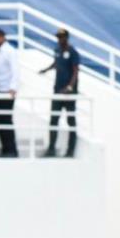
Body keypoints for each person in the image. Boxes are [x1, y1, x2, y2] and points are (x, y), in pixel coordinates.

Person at [40, 28, 79, 157]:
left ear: (67, 37)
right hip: (57, 90)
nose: (60, 39)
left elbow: (75, 71)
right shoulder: (57, 50)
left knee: (71, 121)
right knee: (54, 120)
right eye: (58, 37)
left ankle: (70, 150)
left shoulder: (73, 52)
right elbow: (56, 63)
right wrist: (46, 69)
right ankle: (51, 148)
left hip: (68, 93)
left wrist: (70, 87)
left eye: (62, 37)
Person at [0, 28, 18, 157]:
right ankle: (5, 148)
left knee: (6, 120)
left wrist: (13, 88)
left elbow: (15, 70)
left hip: (7, 92)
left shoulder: (9, 51)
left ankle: (11, 150)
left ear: (2, 37)